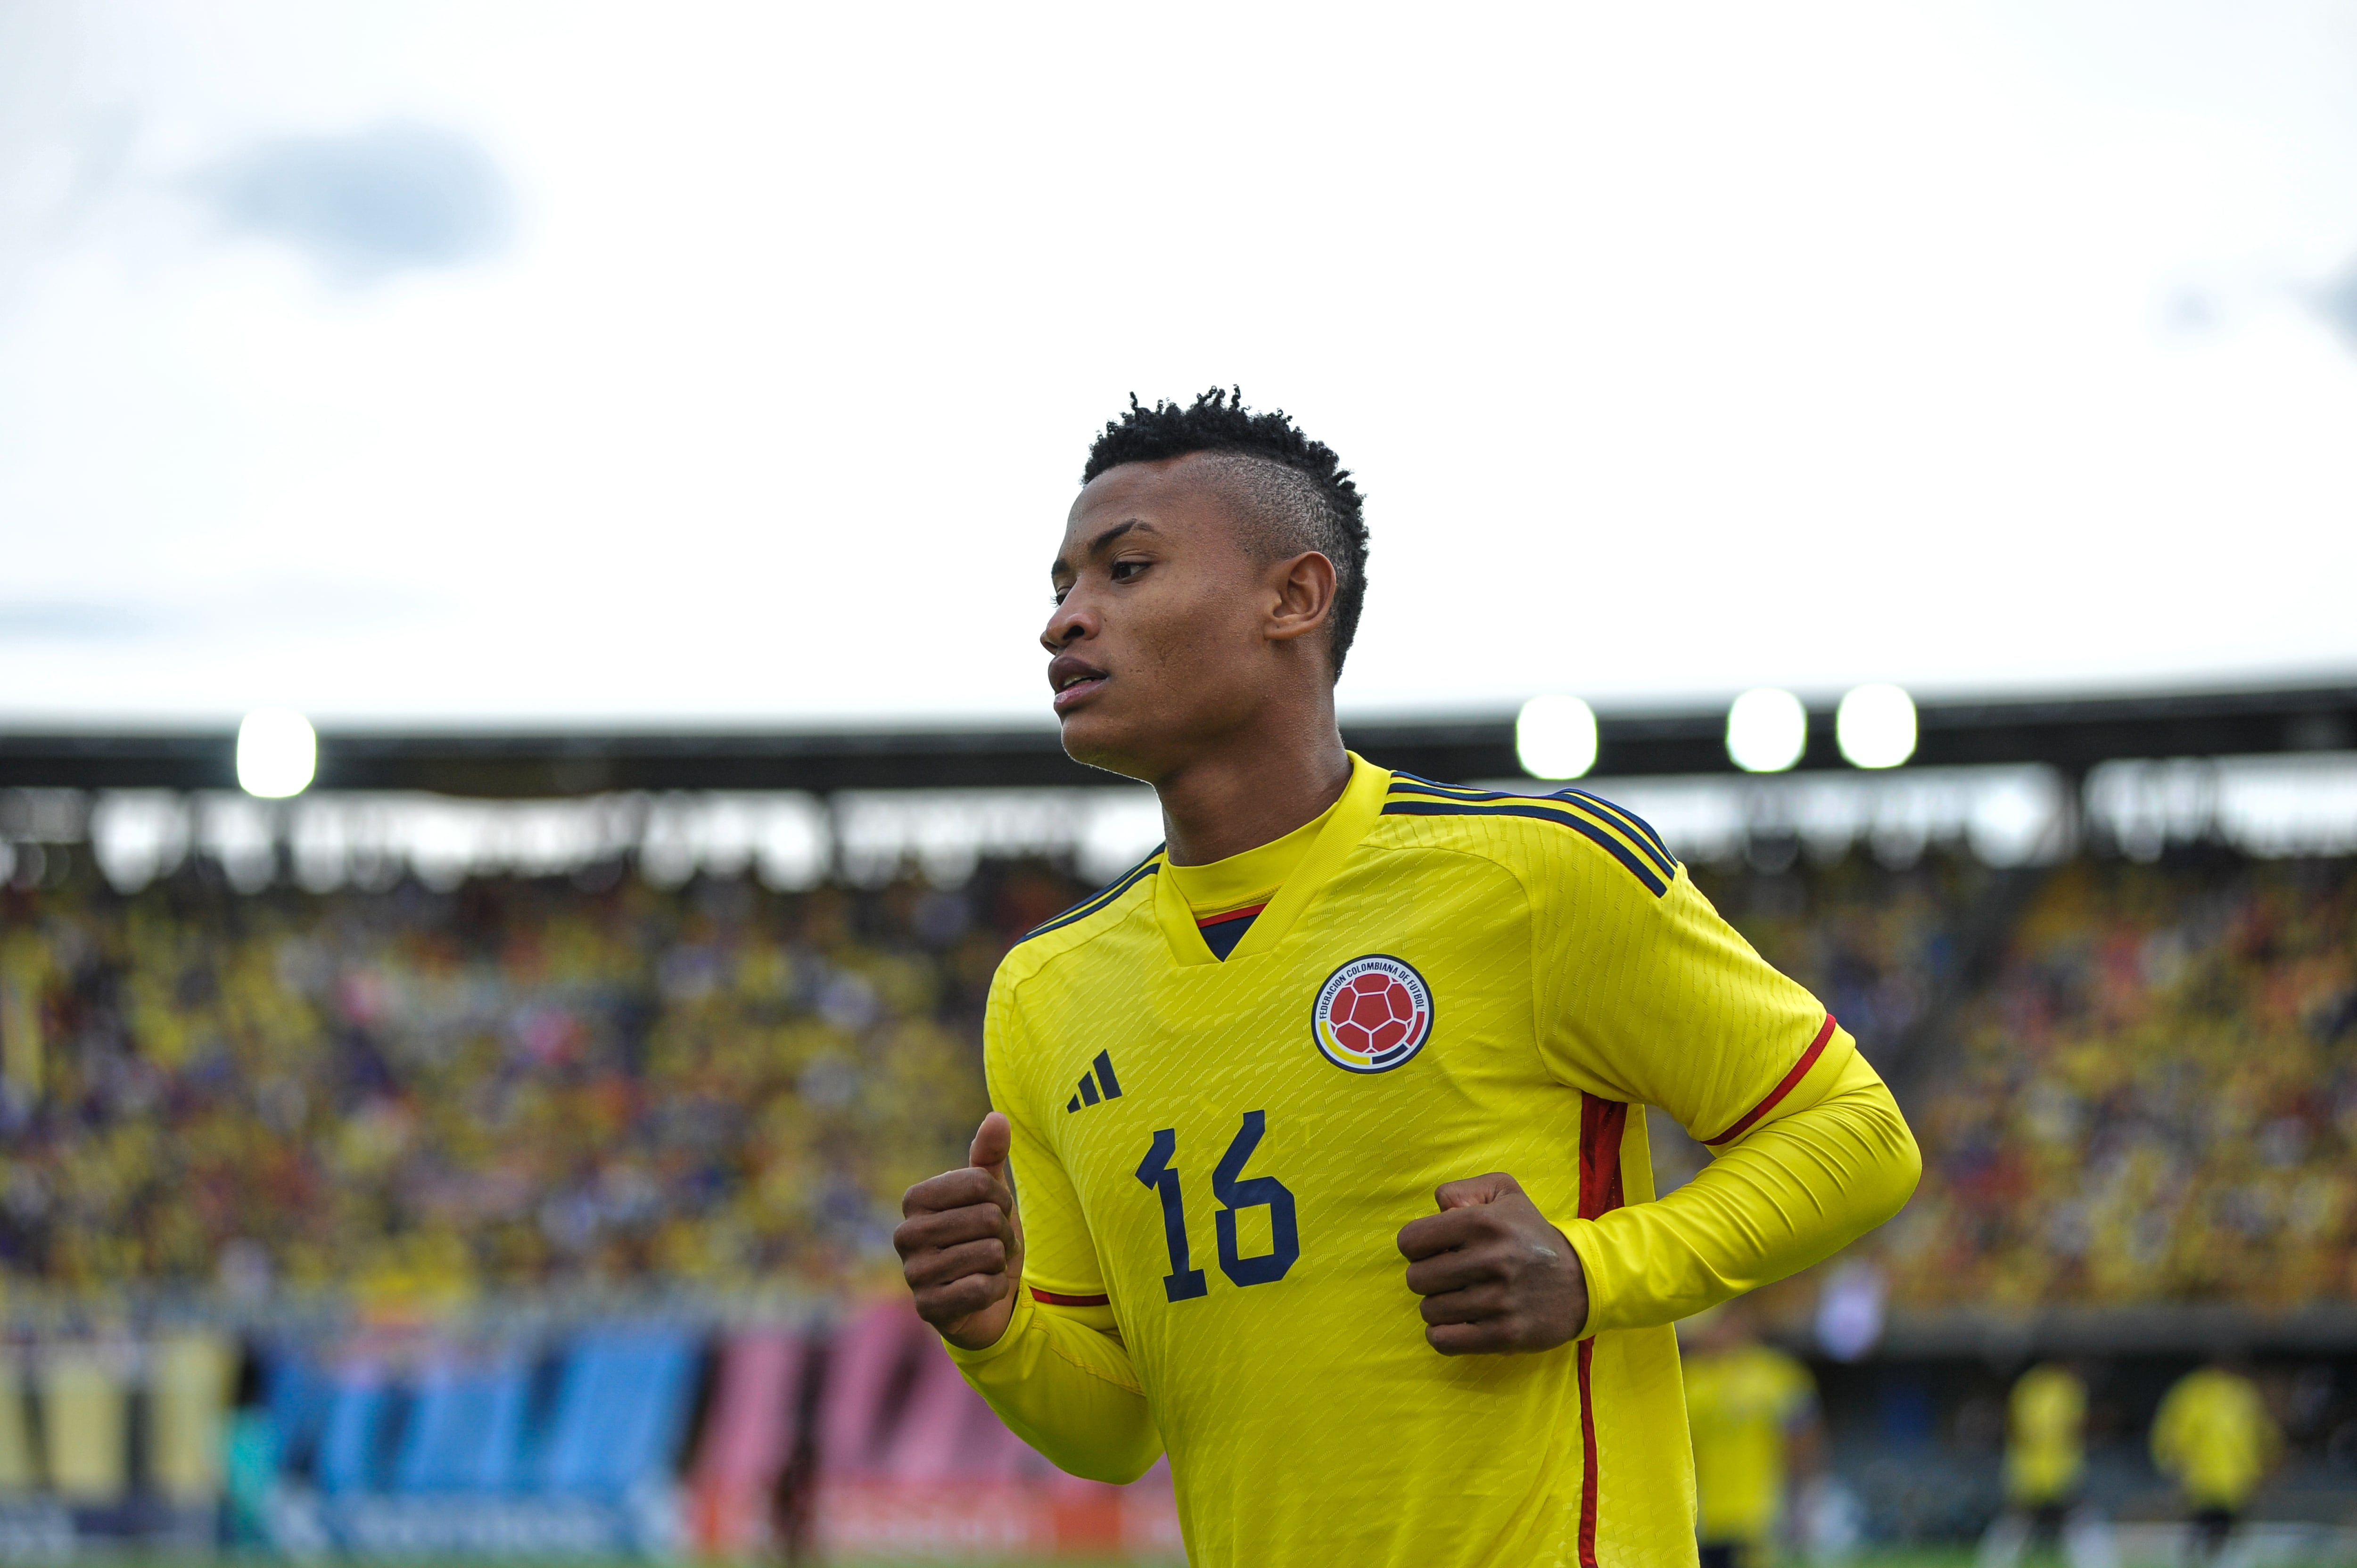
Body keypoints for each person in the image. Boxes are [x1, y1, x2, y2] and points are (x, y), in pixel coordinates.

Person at [892, 388, 1923, 1568]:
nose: (1063, 621)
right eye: (1061, 584)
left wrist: (1589, 1270)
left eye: (1124, 570)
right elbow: (1116, 1424)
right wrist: (994, 1328)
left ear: (1294, 597)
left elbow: (1856, 1133)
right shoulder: (1045, 990)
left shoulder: (1529, 876)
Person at [1681, 1304, 1820, 1568]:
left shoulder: (1779, 1376)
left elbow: (1803, 1440)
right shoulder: (1689, 1379)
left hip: (1760, 1515)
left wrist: (1806, 1497)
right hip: (1704, 1517)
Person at [2151, 1358, 2280, 1565]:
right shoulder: (2201, 1392)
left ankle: (2207, 1558)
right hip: (2209, 1478)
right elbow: (2176, 1431)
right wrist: (2172, 1461)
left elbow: (2261, 1432)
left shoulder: (2240, 1393)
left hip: (2232, 1480)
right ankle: (2201, 1558)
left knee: (2221, 1528)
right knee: (2210, 1525)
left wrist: (2268, 1460)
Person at [1979, 1362, 2105, 1568]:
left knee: (2022, 1520)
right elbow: (2074, 1428)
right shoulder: (2067, 1389)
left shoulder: (2027, 1385)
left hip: (2029, 1467)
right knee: (2074, 1518)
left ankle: (1995, 1562)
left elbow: (2013, 1427)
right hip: (2056, 1468)